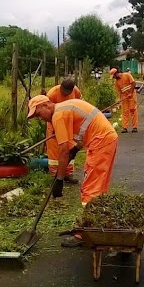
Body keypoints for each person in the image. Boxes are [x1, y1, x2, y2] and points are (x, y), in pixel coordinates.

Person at [27, 95, 118, 247]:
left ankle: (84, 233)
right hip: (104, 139)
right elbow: (83, 130)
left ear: (45, 106)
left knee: (90, 190)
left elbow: (62, 151)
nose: (39, 118)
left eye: (38, 114)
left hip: (101, 142)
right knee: (98, 188)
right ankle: (94, 226)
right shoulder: (64, 109)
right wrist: (75, 148)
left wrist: (60, 179)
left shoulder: (58, 115)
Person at [44, 78, 82, 184]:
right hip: (53, 122)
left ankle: (68, 173)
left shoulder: (76, 91)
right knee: (54, 147)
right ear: (60, 87)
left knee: (69, 146)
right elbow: (47, 111)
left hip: (68, 122)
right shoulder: (52, 94)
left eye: (68, 92)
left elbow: (78, 104)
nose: (65, 94)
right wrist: (54, 128)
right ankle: (55, 174)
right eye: (63, 91)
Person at [109, 67, 138, 133]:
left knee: (132, 111)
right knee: (125, 112)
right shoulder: (116, 83)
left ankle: (135, 127)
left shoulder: (127, 75)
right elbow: (119, 92)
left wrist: (130, 92)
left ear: (116, 73)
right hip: (124, 98)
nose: (114, 78)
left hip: (132, 96)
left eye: (114, 76)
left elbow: (133, 83)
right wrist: (119, 100)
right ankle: (125, 127)